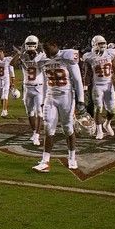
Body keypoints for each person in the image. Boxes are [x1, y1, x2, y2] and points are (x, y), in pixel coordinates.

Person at [32, 40, 84, 172]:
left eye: (48, 50)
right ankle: (45, 162)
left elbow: (78, 80)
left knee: (67, 128)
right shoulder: (43, 59)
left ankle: (72, 158)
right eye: (45, 51)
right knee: (48, 128)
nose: (47, 53)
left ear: (55, 46)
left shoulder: (67, 56)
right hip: (50, 96)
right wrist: (43, 99)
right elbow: (44, 81)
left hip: (66, 95)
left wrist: (81, 101)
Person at [83, 35, 115, 139]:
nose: (103, 45)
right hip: (97, 85)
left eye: (104, 43)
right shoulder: (89, 56)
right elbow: (88, 74)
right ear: (94, 45)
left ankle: (107, 124)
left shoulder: (110, 53)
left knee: (112, 110)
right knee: (98, 108)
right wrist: (85, 88)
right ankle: (99, 130)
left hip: (109, 85)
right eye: (100, 44)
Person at [11, 35, 45, 146]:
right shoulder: (23, 56)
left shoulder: (41, 56)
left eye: (32, 44)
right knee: (29, 112)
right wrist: (19, 53)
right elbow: (12, 63)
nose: (30, 46)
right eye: (28, 44)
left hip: (38, 87)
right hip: (27, 88)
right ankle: (34, 132)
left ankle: (37, 135)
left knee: (39, 112)